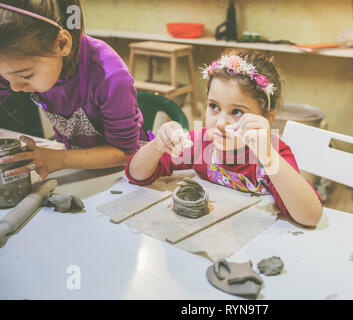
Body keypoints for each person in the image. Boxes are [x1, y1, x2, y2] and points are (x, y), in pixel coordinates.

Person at [126, 48, 323, 227]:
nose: (221, 122)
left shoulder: (272, 154)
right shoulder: (200, 144)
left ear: (266, 119)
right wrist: (157, 145)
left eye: (236, 111)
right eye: (214, 106)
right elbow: (136, 174)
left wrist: (268, 155)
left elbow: (310, 216)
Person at [0, 1, 147, 181]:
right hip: (76, 164)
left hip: (124, 171)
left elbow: (125, 151)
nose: (14, 87)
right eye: (6, 76)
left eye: (27, 76)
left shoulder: (110, 76)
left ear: (62, 44)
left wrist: (57, 159)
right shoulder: (18, 64)